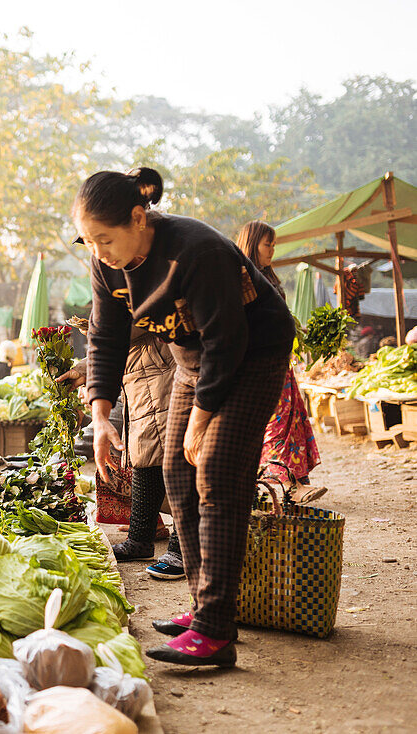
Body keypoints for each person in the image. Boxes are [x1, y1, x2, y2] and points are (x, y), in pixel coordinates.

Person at [78, 167, 294, 667]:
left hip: (252, 353)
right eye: (88, 241)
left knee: (215, 470)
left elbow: (227, 340)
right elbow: (106, 336)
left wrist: (201, 420)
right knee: (177, 470)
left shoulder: (195, 250)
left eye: (104, 239)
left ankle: (216, 631)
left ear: (139, 218)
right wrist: (102, 415)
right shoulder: (106, 263)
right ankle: (205, 609)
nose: (98, 251)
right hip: (192, 359)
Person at [57, 326, 184, 579]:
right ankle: (139, 540)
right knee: (145, 456)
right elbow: (111, 338)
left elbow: (119, 330)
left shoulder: (144, 292)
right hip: (140, 373)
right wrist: (85, 368)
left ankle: (181, 549)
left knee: (177, 463)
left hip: (163, 368)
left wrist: (95, 344)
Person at [236, 221, 323, 503]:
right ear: (252, 244)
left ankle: (295, 482)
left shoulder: (270, 278)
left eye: (274, 245)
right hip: (259, 365)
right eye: (267, 244)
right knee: (275, 425)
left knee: (291, 421)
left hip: (281, 363)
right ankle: (282, 483)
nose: (272, 250)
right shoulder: (243, 278)